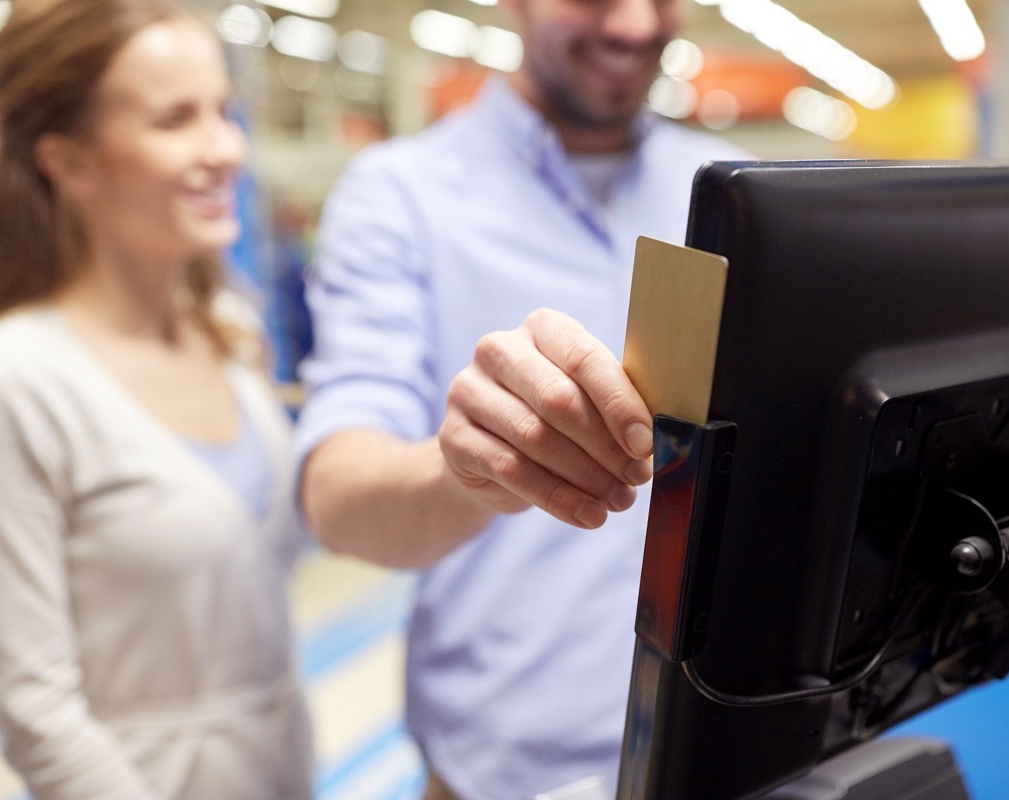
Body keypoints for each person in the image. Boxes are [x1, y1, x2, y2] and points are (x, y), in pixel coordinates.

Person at [297, 0, 750, 797]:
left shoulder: (737, 194)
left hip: (720, 750)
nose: (637, 23)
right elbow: (336, 495)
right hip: (503, 770)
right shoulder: (400, 195)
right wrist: (466, 471)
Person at [0, 1, 313, 798]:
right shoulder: (6, 387)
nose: (225, 148)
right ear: (70, 162)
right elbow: (37, 716)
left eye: (223, 111)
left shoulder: (226, 334)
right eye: (175, 119)